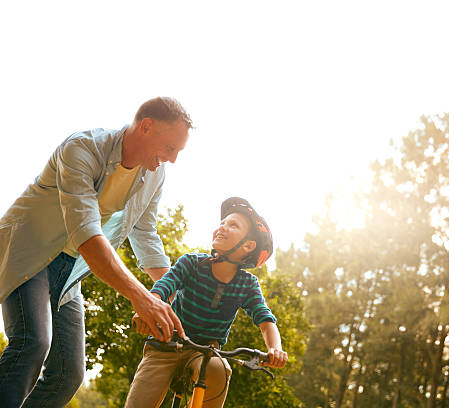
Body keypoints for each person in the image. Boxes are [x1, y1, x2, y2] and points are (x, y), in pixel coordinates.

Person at [0, 97, 191, 408]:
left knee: (67, 374)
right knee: (32, 344)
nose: (172, 159)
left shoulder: (154, 175)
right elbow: (86, 232)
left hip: (70, 269)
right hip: (30, 251)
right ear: (146, 127)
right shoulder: (82, 148)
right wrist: (141, 298)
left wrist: (178, 299)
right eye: (170, 148)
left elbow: (145, 234)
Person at [125, 197, 288, 408]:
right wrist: (148, 309)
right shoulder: (192, 263)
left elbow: (265, 319)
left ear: (248, 245)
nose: (222, 227)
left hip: (206, 351)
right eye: (222, 223)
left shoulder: (247, 284)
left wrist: (275, 349)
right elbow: (164, 286)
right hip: (166, 343)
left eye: (233, 225)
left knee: (219, 369)